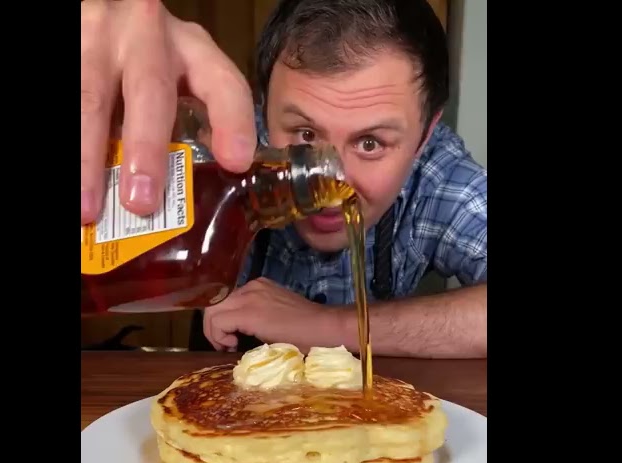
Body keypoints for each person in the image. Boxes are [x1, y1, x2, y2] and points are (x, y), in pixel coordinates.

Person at [81, 0, 487, 359]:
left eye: (370, 143)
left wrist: (325, 326)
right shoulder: (216, 150)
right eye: (305, 134)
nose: (331, 188)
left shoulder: (439, 177)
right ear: (263, 107)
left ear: (425, 136)